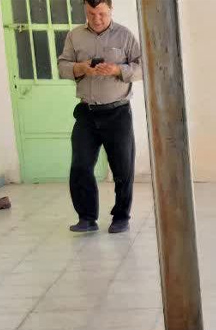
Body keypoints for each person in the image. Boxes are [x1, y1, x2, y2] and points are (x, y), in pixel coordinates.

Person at [57, 0, 142, 234]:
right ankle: (86, 218)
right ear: (85, 10)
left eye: (102, 13)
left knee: (123, 169)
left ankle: (121, 217)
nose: (96, 19)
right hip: (86, 113)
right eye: (91, 13)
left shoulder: (125, 36)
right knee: (80, 166)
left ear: (110, 10)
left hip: (117, 112)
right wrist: (80, 68)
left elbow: (143, 66)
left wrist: (118, 70)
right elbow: (62, 65)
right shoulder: (75, 36)